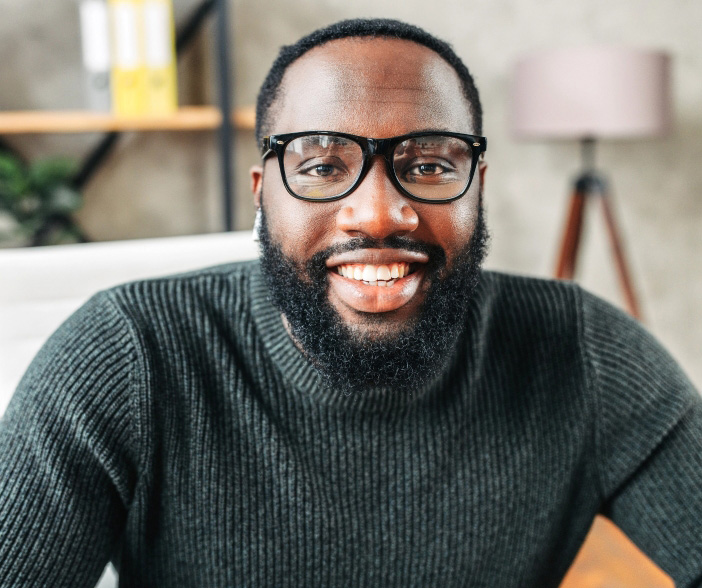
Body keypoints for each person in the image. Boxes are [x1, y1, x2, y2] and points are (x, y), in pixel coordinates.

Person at [1, 17, 701, 588]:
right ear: (262, 192)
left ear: (476, 185)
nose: (376, 212)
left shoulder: (584, 352)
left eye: (428, 165)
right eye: (320, 166)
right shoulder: (125, 354)